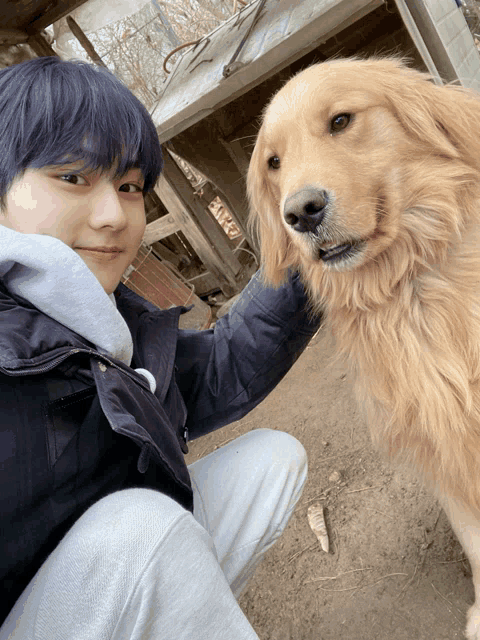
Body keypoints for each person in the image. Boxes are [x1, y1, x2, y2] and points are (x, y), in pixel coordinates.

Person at [0, 57, 322, 640]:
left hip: (105, 577)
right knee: (141, 533)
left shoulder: (103, 324)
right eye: (71, 177)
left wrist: (306, 245)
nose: (113, 217)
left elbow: (218, 372)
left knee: (271, 459)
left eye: (129, 187)